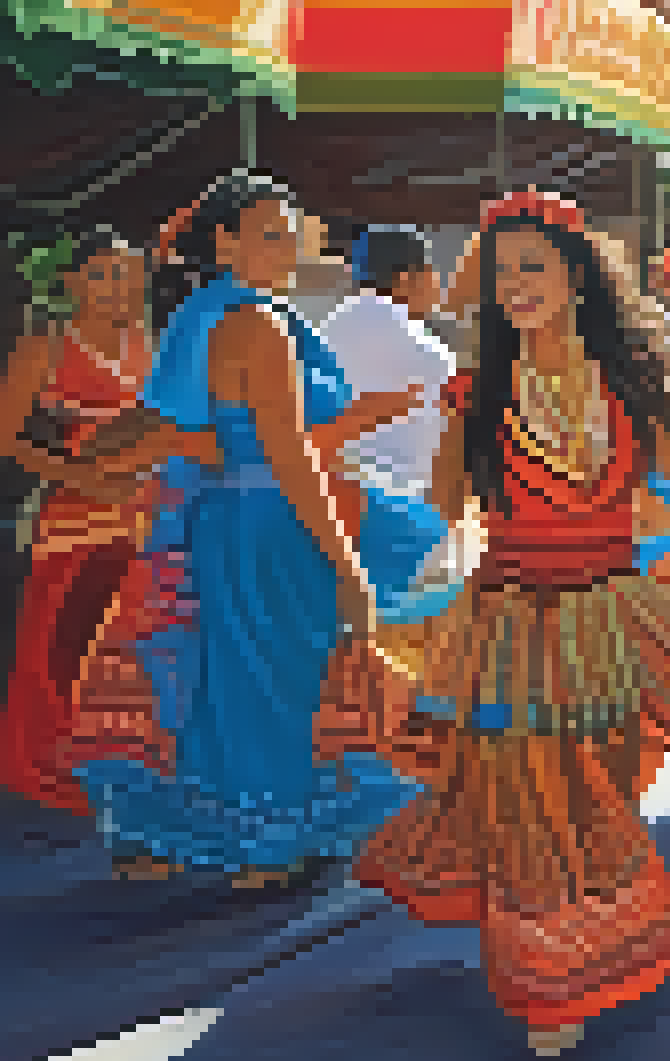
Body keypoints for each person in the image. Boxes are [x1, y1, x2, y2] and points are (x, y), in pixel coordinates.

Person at [355, 191, 670, 1055]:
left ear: (574, 277)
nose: (517, 284)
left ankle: (578, 949)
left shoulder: (626, 388)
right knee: (537, 799)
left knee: (603, 790)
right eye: (502, 270)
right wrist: (368, 567)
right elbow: (438, 513)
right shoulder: (473, 395)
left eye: (534, 266)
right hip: (511, 624)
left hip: (614, 620)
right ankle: (547, 981)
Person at [60, 170, 448, 885]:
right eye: (269, 232)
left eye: (289, 230)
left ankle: (222, 836)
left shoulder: (196, 318)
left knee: (227, 684)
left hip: (214, 519)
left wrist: (95, 460)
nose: (287, 244)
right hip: (271, 523)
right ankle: (266, 848)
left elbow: (165, 424)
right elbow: (291, 454)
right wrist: (347, 565)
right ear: (226, 241)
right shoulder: (261, 324)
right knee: (277, 686)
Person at [0, 225, 199, 812]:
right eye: (105, 274)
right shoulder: (45, 347)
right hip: (72, 512)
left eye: (129, 275)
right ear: (75, 282)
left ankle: (120, 763)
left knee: (132, 645)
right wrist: (75, 476)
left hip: (148, 514)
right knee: (62, 637)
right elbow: (6, 439)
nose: (119, 287)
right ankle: (46, 763)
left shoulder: (153, 345)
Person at [321, 227, 456, 503]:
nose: (440, 285)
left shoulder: (323, 331)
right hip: (406, 504)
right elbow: (450, 438)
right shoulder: (425, 345)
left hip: (335, 497)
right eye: (433, 274)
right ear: (407, 279)